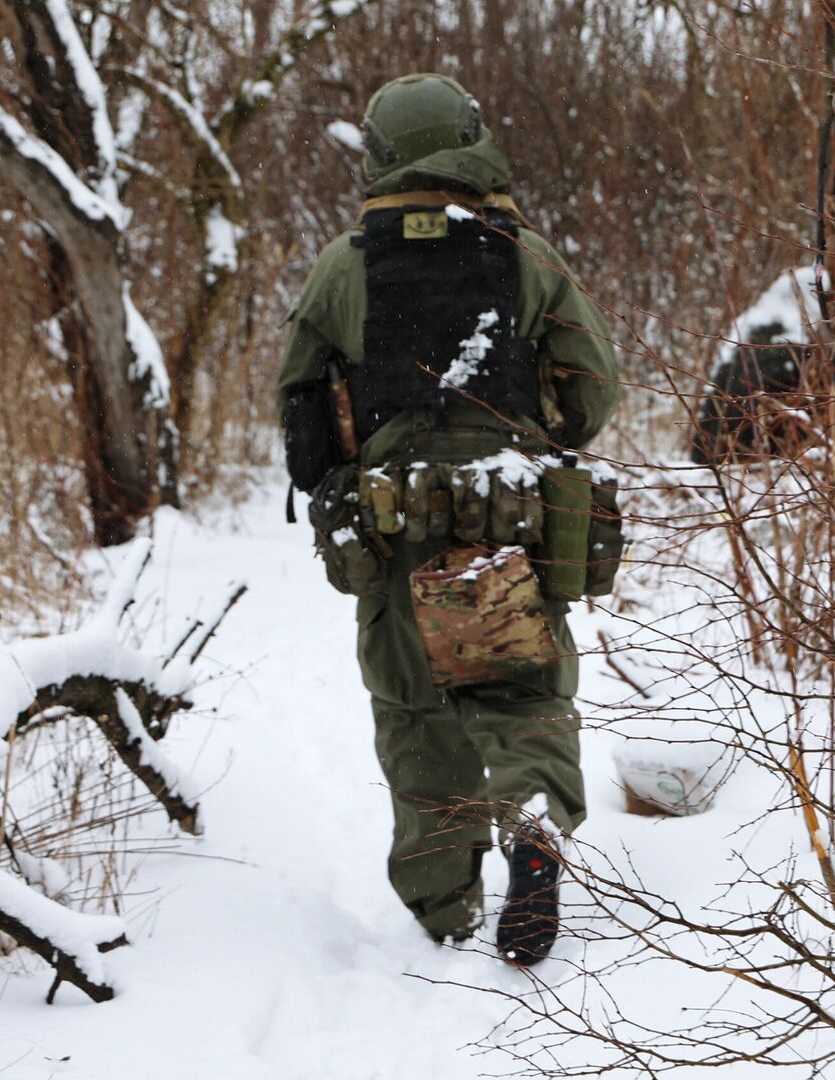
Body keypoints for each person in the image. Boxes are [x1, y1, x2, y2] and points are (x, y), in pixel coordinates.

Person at [277, 73, 621, 965]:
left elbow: (300, 403)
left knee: (413, 706)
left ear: (383, 155)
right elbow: (595, 388)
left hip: (393, 519)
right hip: (509, 507)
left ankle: (444, 909)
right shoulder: (524, 254)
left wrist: (337, 480)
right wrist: (545, 432)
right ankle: (533, 825)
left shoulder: (344, 262)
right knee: (523, 690)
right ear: (471, 142)